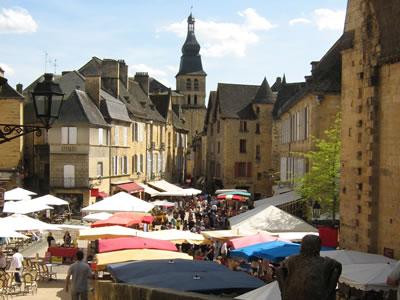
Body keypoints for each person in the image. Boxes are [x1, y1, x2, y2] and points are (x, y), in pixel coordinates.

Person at [276, 235, 341, 300]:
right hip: (318, 295)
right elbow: (338, 266)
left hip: (291, 295)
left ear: (302, 246)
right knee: (334, 271)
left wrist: (284, 291)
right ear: (318, 247)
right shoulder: (325, 262)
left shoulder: (292, 259)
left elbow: (279, 269)